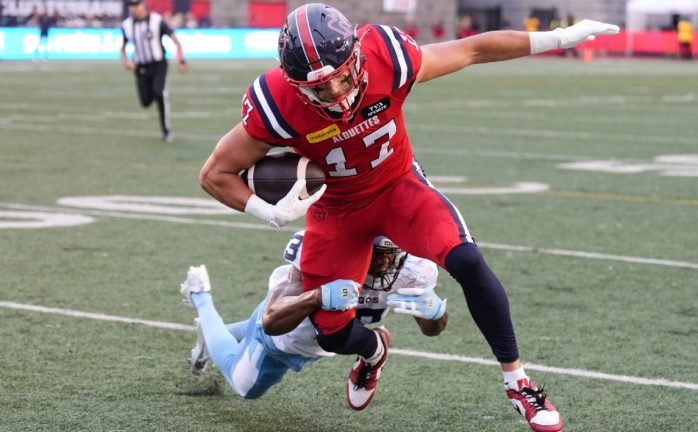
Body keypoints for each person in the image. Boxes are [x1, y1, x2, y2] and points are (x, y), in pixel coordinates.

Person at [198, 3, 618, 431]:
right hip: (336, 210)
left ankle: (518, 384)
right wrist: (267, 211)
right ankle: (373, 350)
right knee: (332, 332)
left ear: (358, 55)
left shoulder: (387, 55)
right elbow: (215, 173)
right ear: (295, 84)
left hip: (398, 187)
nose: (340, 93)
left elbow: (472, 49)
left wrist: (557, 38)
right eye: (322, 89)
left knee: (468, 261)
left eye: (344, 76)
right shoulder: (275, 101)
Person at [179, 232, 448, 404]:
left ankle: (209, 332)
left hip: (328, 340)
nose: (382, 266)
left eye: (390, 256)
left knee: (245, 332)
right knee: (244, 387)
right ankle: (201, 296)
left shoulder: (414, 269)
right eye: (377, 256)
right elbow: (270, 320)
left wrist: (435, 313)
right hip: (285, 339)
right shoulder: (324, 251)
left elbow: (431, 329)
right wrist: (318, 296)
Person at [120, 0, 187, 142]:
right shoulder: (127, 25)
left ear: (143, 5)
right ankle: (155, 94)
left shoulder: (157, 21)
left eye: (136, 5)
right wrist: (126, 62)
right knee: (145, 102)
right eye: (132, 6)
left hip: (158, 65)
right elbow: (123, 47)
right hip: (141, 67)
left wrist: (181, 59)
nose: (134, 9)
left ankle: (166, 130)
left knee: (159, 93)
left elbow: (176, 40)